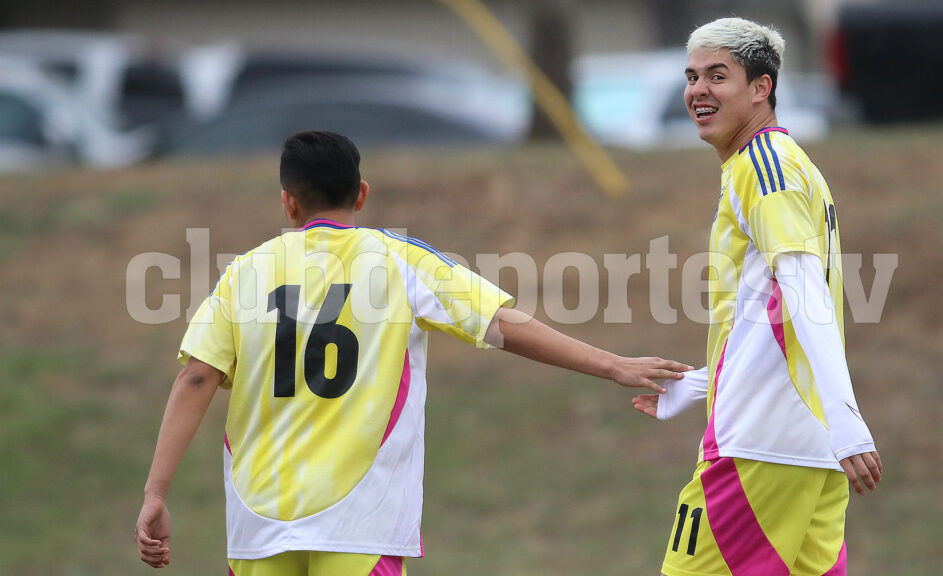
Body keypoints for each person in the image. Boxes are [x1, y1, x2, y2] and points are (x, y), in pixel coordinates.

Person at [134, 130, 689, 575]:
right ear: (362, 193)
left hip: (259, 525)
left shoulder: (243, 273)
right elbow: (502, 325)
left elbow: (196, 379)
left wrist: (156, 492)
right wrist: (613, 365)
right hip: (361, 522)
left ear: (288, 202)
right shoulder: (401, 261)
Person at [630, 17, 882, 576]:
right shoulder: (775, 165)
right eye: (691, 76)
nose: (698, 90)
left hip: (760, 447)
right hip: (805, 448)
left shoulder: (764, 164)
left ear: (761, 87)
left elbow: (804, 293)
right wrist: (701, 384)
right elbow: (770, 315)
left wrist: (846, 420)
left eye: (717, 76)